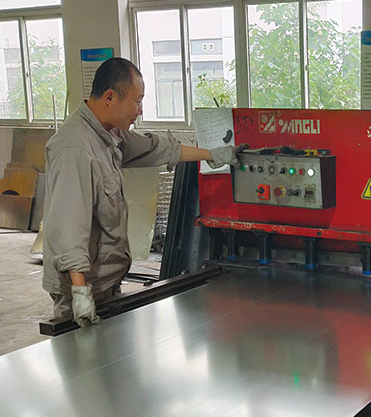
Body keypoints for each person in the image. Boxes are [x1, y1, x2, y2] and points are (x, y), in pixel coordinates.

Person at [43, 57, 243, 327]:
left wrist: (214, 155)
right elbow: (69, 227)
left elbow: (155, 148)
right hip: (80, 288)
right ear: (110, 97)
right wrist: (80, 293)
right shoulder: (75, 149)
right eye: (137, 101)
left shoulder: (109, 133)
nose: (139, 111)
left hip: (104, 282)